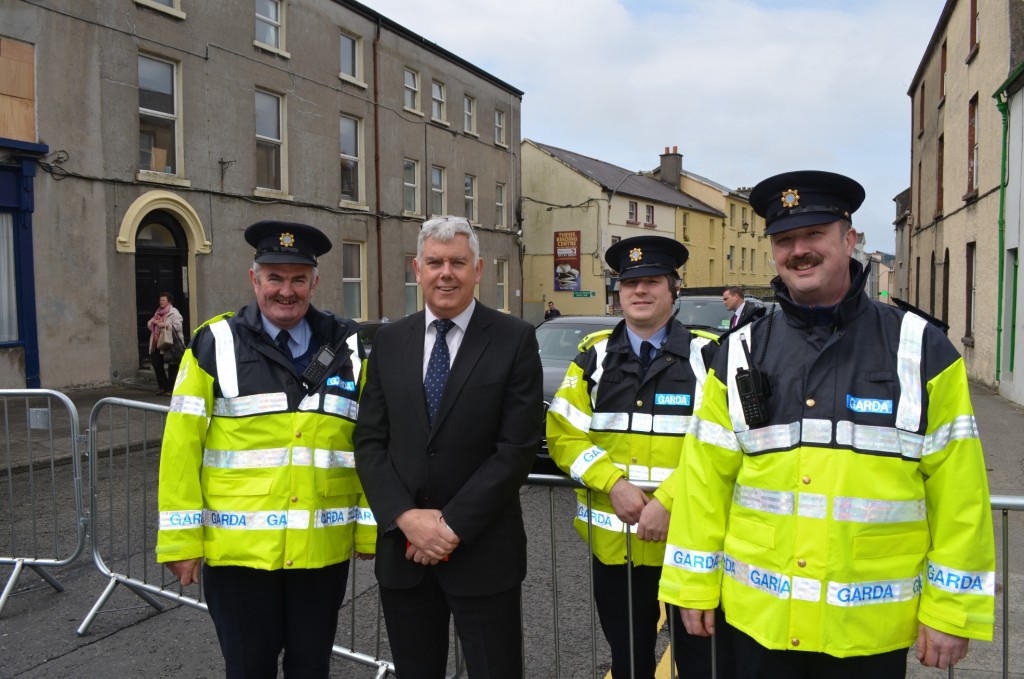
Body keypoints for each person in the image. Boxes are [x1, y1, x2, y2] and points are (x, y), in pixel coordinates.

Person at [659, 171, 995, 677]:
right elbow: (704, 484)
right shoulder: (739, 352)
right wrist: (691, 585)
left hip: (866, 631)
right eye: (785, 239)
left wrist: (951, 611)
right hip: (758, 623)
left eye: (814, 234)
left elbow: (960, 493)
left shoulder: (921, 348)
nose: (799, 250)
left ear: (850, 239)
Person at [155, 220, 375, 679]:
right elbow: (181, 446)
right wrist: (180, 539)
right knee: (249, 669)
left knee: (310, 669)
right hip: (240, 556)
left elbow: (369, 443)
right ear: (253, 279)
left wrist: (369, 530)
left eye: (298, 279)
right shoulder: (214, 343)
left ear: (315, 282)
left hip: (320, 552)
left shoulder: (349, 346)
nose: (286, 291)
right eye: (274, 277)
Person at [354, 215, 542, 679]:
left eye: (458, 262)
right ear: (416, 269)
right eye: (435, 262)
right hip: (404, 554)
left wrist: (449, 528)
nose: (446, 273)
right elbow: (370, 441)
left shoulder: (514, 339)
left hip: (483, 553)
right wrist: (405, 518)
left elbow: (515, 447)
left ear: (478, 270)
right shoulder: (389, 340)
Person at [546, 235, 731, 679]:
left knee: (702, 664)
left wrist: (668, 498)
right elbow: (563, 436)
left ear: (674, 290)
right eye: (629, 283)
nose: (639, 291)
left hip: (691, 545)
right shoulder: (594, 357)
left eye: (652, 281)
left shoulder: (709, 355)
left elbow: (723, 443)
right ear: (619, 293)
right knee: (629, 663)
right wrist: (615, 484)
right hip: (617, 548)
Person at [146, 291, 184, 395]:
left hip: (170, 343)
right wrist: (152, 323)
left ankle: (171, 388)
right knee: (156, 363)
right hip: (158, 342)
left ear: (169, 301)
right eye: (160, 300)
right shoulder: (158, 312)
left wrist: (165, 325)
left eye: (163, 300)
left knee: (172, 365)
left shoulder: (174, 312)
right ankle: (163, 386)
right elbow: (150, 325)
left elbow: (178, 327)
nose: (161, 302)